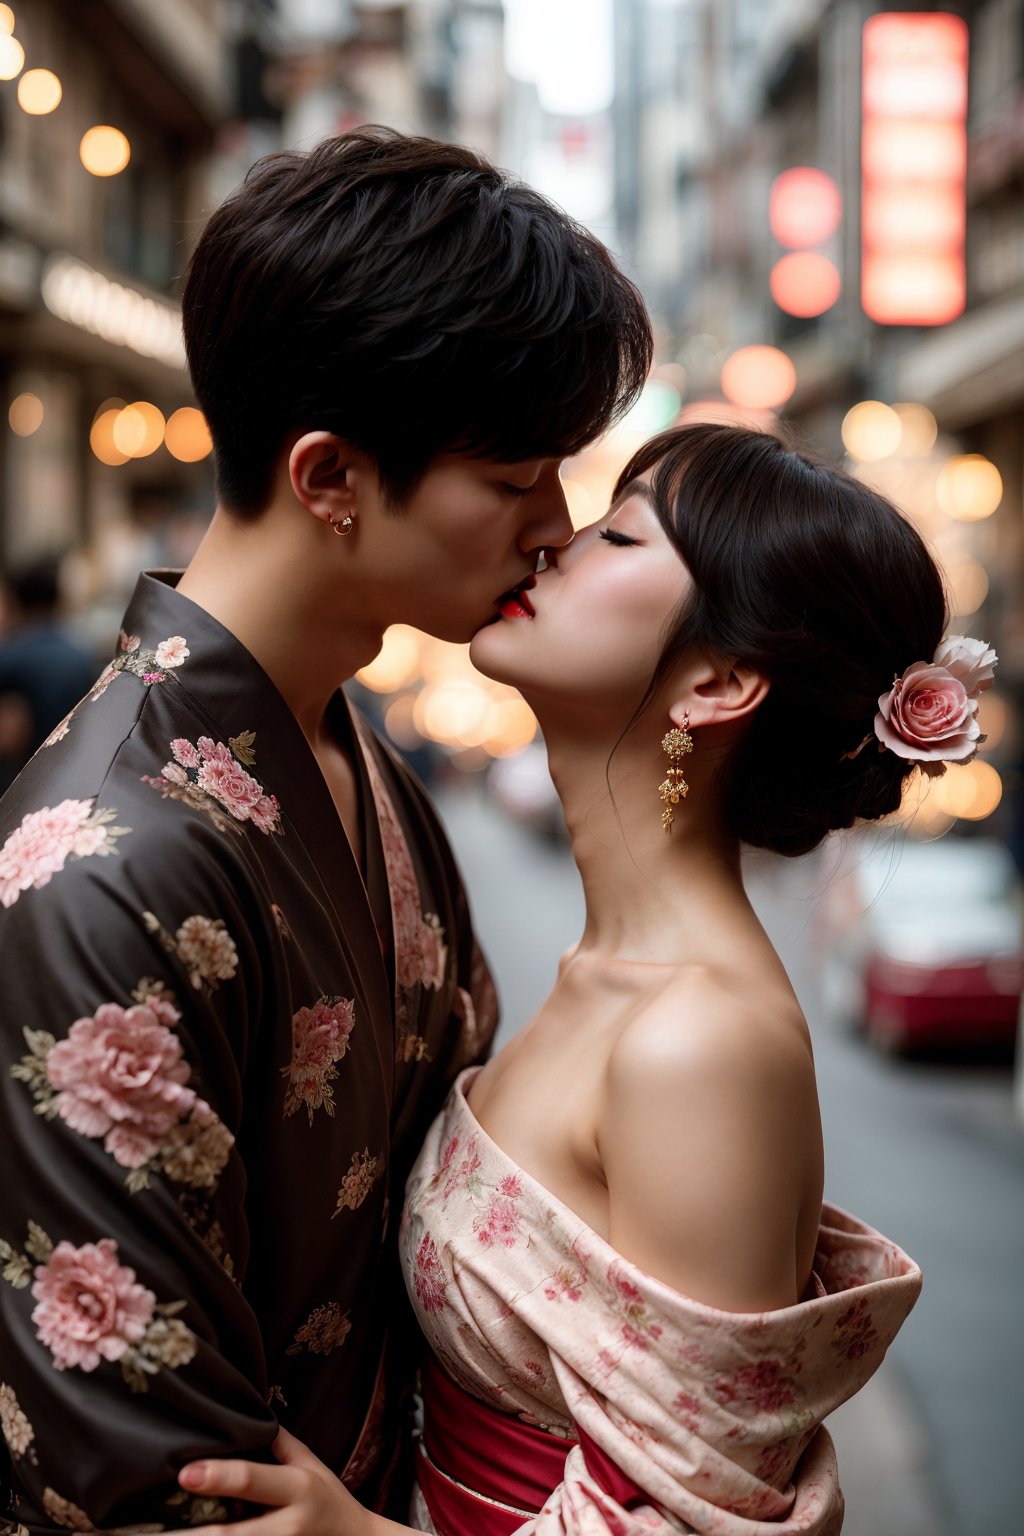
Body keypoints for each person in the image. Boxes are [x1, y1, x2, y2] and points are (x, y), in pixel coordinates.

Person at [170, 423, 996, 1535]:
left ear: (715, 683)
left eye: (616, 533)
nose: (553, 541)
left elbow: (696, 1516)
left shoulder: (699, 1040)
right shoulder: (604, 976)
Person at [0, 128, 652, 1532]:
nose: (555, 524)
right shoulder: (105, 868)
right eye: (513, 477)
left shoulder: (356, 751)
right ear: (330, 478)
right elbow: (152, 1476)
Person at [0, 555, 98, 794]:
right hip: (76, 773)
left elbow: (9, 736)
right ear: (58, 599)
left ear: (16, 601)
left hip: (23, 780)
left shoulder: (11, 656)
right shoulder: (82, 654)